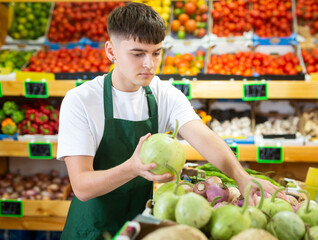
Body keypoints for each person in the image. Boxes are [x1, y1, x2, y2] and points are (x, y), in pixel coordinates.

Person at [57, 2, 284, 239]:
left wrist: (241, 177)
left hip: (142, 227)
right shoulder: (80, 100)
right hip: (90, 230)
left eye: (156, 52)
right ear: (111, 51)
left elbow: (204, 137)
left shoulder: (163, 93)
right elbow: (81, 187)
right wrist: (132, 168)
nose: (150, 64)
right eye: (137, 54)